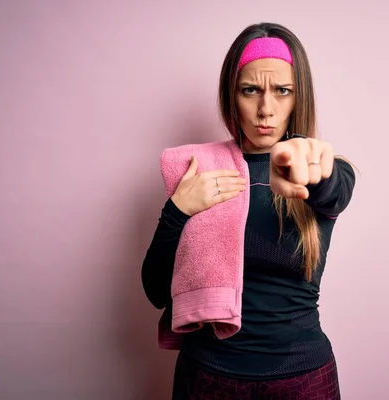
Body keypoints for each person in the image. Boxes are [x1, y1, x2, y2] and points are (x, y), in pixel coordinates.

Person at [141, 22, 356, 399]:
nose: (265, 109)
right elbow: (156, 291)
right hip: (208, 376)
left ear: (298, 98)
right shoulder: (199, 171)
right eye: (250, 90)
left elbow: (333, 190)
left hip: (301, 378)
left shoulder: (320, 168)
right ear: (231, 94)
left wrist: (309, 165)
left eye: (282, 91)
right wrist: (178, 209)